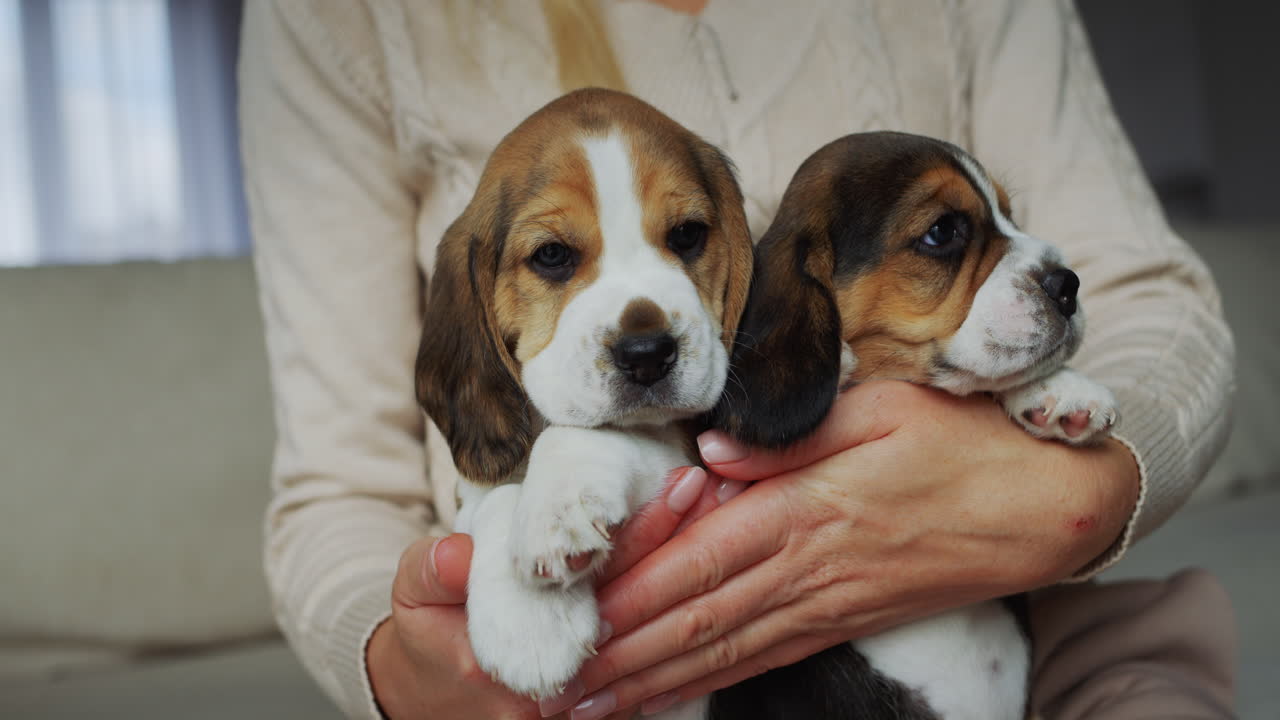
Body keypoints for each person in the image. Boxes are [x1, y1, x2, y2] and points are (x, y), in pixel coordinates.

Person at [237, 1, 1237, 718]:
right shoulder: (337, 22)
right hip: (594, 674)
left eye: (685, 240)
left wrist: (1077, 490)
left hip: (1016, 624)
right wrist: (407, 670)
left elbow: (1148, 299)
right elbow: (337, 490)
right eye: (553, 256)